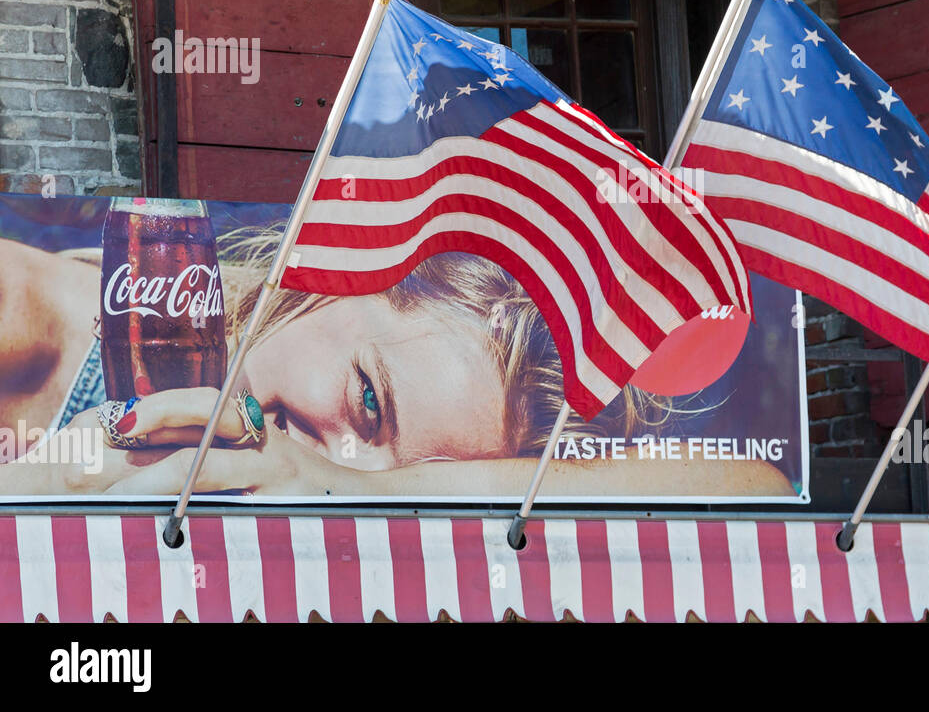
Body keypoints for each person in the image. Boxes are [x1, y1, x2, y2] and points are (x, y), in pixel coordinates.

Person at [0, 224, 792, 498]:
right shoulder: (36, 324)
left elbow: (752, 487)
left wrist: (337, 484)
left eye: (399, 474)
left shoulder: (328, 477)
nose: (346, 453)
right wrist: (34, 490)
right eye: (368, 402)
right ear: (327, 278)